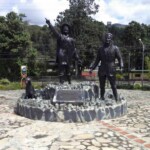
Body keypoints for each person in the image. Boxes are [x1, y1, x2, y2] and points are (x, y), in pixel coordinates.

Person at [89, 33, 123, 101]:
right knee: (102, 86)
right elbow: (97, 60)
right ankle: (102, 97)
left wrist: (121, 66)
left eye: (109, 38)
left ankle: (116, 98)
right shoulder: (100, 49)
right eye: (106, 38)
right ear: (104, 39)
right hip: (102, 69)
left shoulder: (115, 48)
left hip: (111, 68)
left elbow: (120, 58)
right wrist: (92, 68)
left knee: (113, 85)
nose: (107, 39)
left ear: (111, 39)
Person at [45, 18, 80, 84]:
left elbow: (74, 48)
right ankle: (61, 83)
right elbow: (54, 32)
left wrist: (76, 56)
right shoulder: (60, 36)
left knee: (68, 71)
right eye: (64, 28)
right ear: (62, 29)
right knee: (61, 71)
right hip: (62, 55)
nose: (66, 29)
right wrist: (49, 24)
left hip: (68, 57)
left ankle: (70, 83)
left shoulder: (71, 39)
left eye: (67, 28)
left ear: (69, 29)